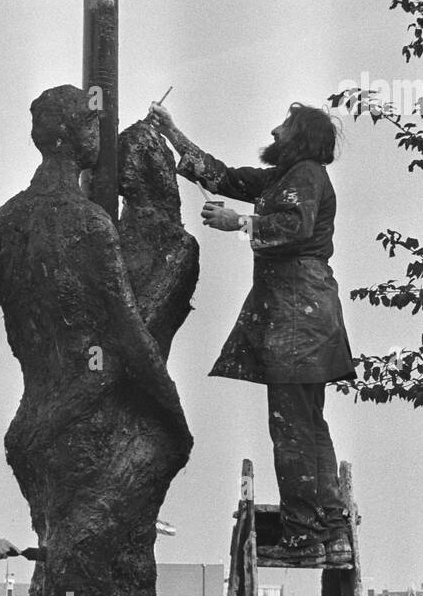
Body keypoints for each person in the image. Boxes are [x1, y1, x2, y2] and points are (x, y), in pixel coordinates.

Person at [148, 100, 355, 568]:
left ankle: (305, 535)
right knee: (308, 424)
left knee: (292, 428)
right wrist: (173, 133)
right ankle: (331, 530)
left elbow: (294, 227)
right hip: (307, 316)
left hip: (298, 317)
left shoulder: (304, 175)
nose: (274, 131)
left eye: (283, 126)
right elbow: (225, 177)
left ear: (299, 136)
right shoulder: (288, 177)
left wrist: (239, 223)